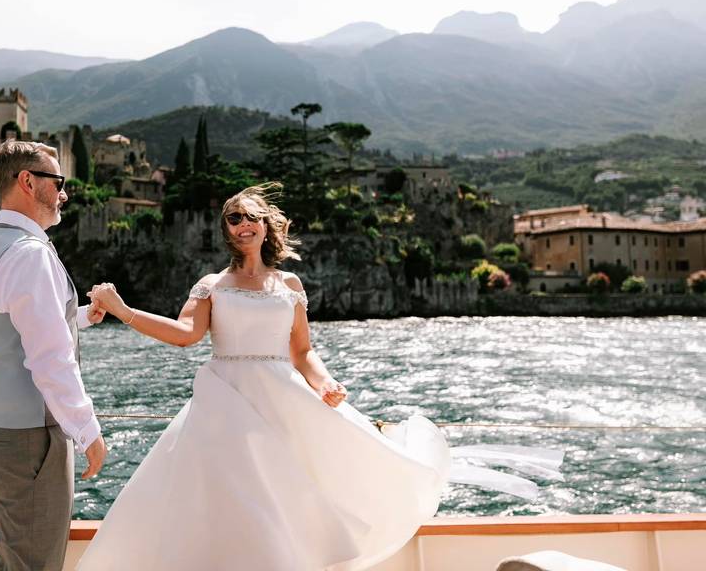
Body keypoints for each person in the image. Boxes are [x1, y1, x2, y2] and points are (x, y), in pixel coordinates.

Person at [81, 183, 561, 570]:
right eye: (233, 218)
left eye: (251, 216)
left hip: (285, 400)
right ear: (226, 230)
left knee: (293, 499)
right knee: (235, 503)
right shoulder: (212, 285)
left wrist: (324, 383)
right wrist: (123, 310)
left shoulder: (289, 284)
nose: (243, 224)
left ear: (267, 225)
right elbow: (187, 334)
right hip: (224, 404)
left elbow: (303, 351)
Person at [0, 139, 108, 571]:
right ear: (27, 181)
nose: (63, 193)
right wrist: (88, 431)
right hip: (30, 440)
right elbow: (50, 359)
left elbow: (10, 325)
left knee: (15, 562)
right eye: (58, 182)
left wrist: (77, 316)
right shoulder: (30, 255)